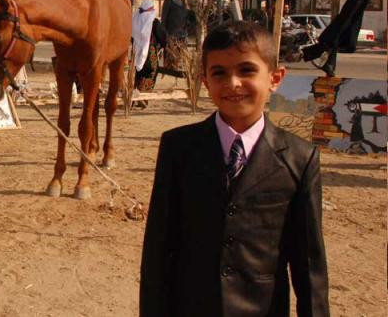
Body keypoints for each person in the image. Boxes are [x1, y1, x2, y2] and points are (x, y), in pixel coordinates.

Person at [140, 21, 329, 317]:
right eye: (219, 73)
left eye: (246, 70)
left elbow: (309, 265)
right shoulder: (179, 148)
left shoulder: (299, 158)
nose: (233, 83)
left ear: (275, 78)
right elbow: (158, 249)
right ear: (205, 80)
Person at [132, 0, 167, 106]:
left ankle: (136, 95)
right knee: (151, 71)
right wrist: (162, 45)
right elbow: (162, 37)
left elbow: (131, 36)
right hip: (150, 52)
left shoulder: (135, 20)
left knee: (139, 72)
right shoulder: (154, 22)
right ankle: (143, 96)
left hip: (136, 51)